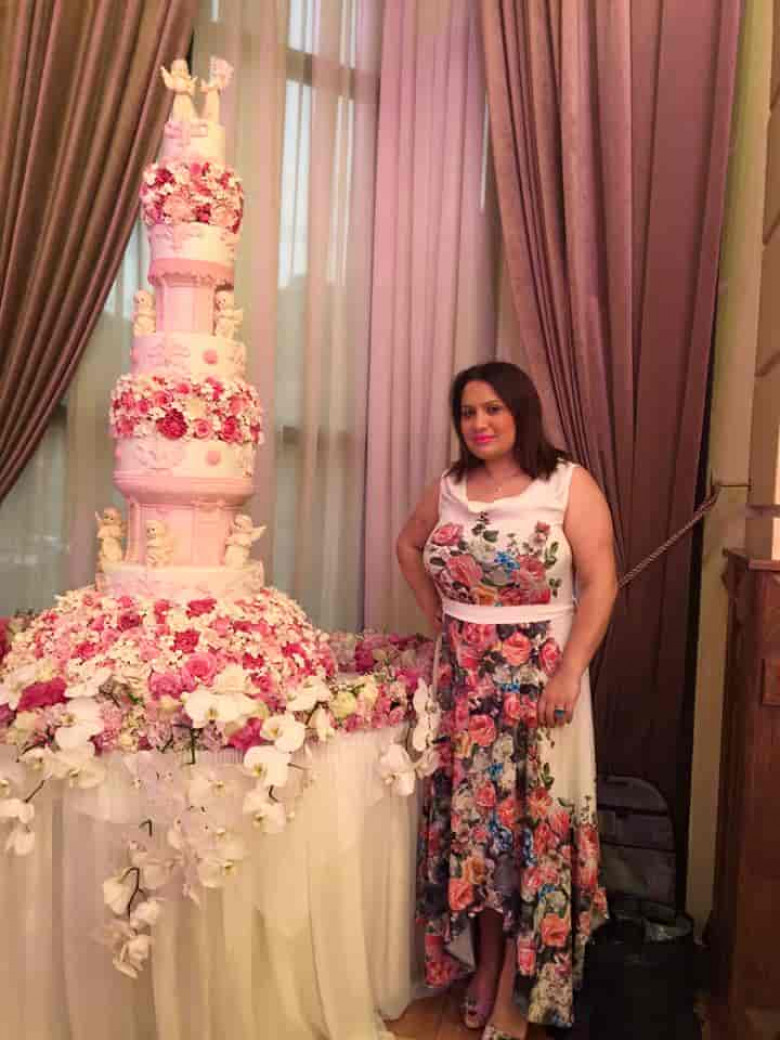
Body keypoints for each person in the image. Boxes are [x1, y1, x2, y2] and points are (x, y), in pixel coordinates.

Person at [396, 362, 616, 1038]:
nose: (480, 423)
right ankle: (487, 967)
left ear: (521, 411)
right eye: (468, 412)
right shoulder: (450, 486)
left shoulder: (567, 483)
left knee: (531, 832)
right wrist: (441, 618)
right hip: (465, 687)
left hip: (543, 682)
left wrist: (570, 672)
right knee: (481, 835)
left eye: (493, 409)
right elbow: (409, 545)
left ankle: (522, 988)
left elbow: (601, 582)